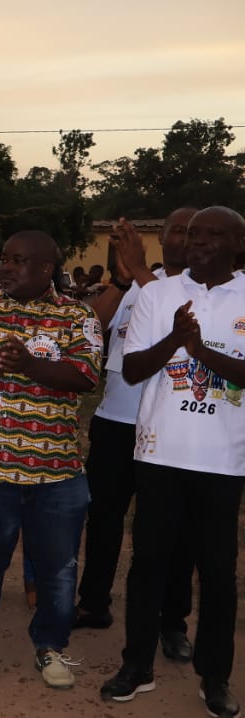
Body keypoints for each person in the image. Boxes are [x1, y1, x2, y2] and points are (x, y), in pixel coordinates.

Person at [100, 207, 245, 717]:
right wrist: (174, 339)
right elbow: (134, 369)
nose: (198, 241)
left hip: (222, 462)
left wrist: (199, 350)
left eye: (214, 234)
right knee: (148, 566)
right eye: (193, 233)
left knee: (218, 574)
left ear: (237, 244)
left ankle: (215, 677)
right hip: (159, 454)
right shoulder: (158, 294)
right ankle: (136, 666)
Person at [0, 231, 99, 689]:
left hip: (57, 473)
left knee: (57, 568)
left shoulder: (77, 314)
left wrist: (29, 365)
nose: (6, 268)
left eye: (18, 261)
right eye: (4, 259)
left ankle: (50, 646)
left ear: (47, 268)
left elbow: (85, 376)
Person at [75, 210, 197, 664]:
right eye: (176, 230)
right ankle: (94, 603)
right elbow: (88, 326)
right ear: (160, 239)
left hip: (169, 429)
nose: (183, 238)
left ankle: (172, 622)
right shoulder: (140, 284)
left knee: (170, 530)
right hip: (114, 418)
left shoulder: (200, 289)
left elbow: (176, 316)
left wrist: (140, 273)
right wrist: (122, 282)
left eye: (192, 230)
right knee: (103, 518)